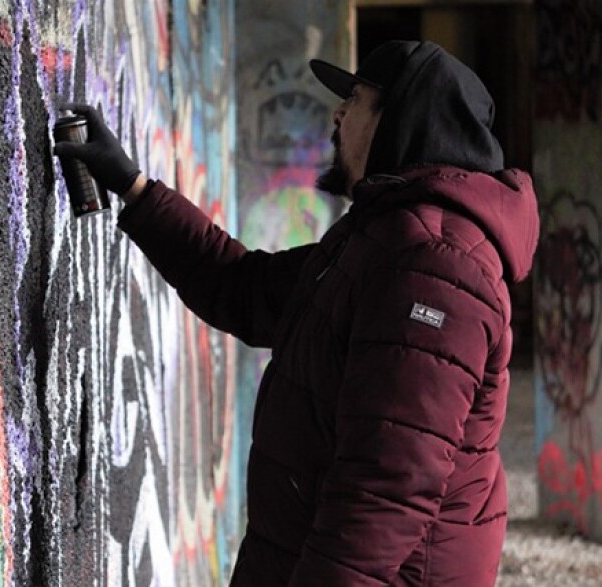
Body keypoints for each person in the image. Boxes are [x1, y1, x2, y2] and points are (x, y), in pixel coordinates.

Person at [54, 40, 539, 586]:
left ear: (400, 120)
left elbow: (386, 488)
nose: (337, 113)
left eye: (355, 99)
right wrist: (133, 187)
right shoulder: (381, 240)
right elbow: (244, 288)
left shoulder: (435, 267)